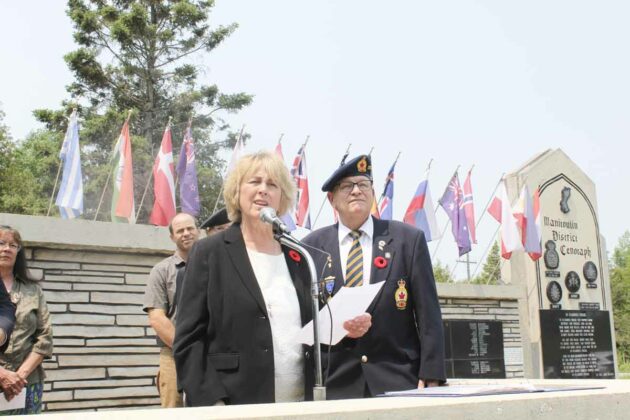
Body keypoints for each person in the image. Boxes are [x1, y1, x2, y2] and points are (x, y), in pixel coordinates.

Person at [173, 151, 315, 406]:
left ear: (282, 198)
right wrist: (213, 403)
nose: (263, 190)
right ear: (237, 192)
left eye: (272, 184)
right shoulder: (210, 252)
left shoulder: (298, 256)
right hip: (234, 404)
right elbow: (188, 340)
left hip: (299, 404)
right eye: (254, 182)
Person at [303, 154, 446, 399]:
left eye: (364, 185)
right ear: (332, 199)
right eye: (347, 186)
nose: (357, 191)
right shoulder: (310, 248)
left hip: (398, 377)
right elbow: (305, 316)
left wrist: (432, 372)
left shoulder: (407, 240)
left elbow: (428, 313)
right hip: (334, 380)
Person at [143, 213, 200, 408]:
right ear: (172, 237)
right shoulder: (161, 271)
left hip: (210, 354)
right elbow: (157, 318)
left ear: (198, 231)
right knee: (173, 413)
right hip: (173, 356)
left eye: (190, 228)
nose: (186, 233)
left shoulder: (212, 266)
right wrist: (187, 348)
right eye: (180, 231)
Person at [0, 225, 53, 415]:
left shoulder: (33, 290)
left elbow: (45, 337)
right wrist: (2, 374)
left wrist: (19, 377)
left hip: (27, 383)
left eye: (13, 245)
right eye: (1, 243)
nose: (7, 248)